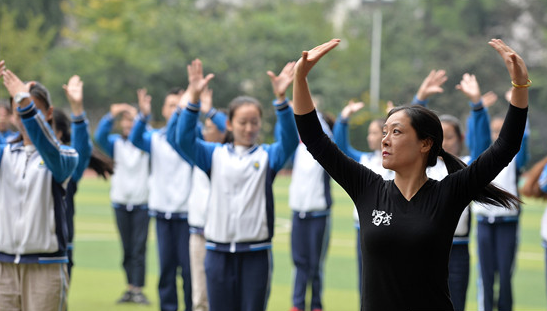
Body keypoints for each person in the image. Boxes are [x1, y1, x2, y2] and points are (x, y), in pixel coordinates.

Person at [291, 38, 529, 310]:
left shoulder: (448, 194)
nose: (385, 140)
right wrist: (300, 78)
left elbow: (506, 145)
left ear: (425, 144)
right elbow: (314, 138)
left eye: (396, 131)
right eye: (384, 132)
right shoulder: (367, 188)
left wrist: (520, 85)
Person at [175, 59, 299, 311]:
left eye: (254, 122)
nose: (249, 128)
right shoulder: (214, 154)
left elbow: (289, 141)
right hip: (217, 252)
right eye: (242, 122)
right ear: (229, 124)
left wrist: (281, 100)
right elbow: (184, 140)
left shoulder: (267, 156)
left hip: (256, 253)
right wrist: (194, 100)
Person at [0, 61, 78, 311]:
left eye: (31, 109)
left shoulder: (65, 155)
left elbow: (47, 146)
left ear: (48, 113)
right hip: (5, 267)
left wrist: (24, 100)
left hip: (46, 267)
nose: (22, 116)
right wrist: (23, 101)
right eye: (17, 109)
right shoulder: (4, 154)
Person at [466, 74, 529, 311]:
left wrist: (520, 105)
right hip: (484, 222)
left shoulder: (515, 158)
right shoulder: (481, 157)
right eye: (493, 130)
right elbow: (474, 139)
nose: (496, 135)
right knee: (486, 277)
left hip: (508, 223)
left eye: (500, 130)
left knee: (505, 277)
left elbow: (523, 137)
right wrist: (478, 110)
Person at [130, 87, 193, 311]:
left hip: (188, 216)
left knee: (189, 271)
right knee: (166, 270)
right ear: (164, 111)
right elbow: (135, 138)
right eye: (171, 106)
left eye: (180, 105)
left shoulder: (193, 138)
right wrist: (143, 115)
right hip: (163, 214)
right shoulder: (156, 138)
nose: (175, 109)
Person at [166, 87, 227, 311]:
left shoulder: (229, 157)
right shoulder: (198, 155)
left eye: (210, 127)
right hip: (199, 234)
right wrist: (182, 108)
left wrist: (209, 110)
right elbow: (174, 138)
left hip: (223, 235)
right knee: (200, 298)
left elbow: (228, 125)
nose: (205, 130)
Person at [332, 100, 393, 303]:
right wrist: (343, 119)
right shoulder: (363, 160)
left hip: (390, 228)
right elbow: (340, 148)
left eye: (375, 132)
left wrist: (393, 117)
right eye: (369, 133)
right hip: (363, 227)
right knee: (365, 279)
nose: (370, 137)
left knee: (389, 279)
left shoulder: (396, 160)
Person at [94, 100, 151, 305]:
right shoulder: (115, 143)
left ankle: (138, 288)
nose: (128, 126)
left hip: (141, 203)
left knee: (139, 248)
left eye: (132, 122)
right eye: (125, 122)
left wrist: (142, 115)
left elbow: (148, 131)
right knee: (127, 248)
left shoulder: (145, 144)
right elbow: (99, 136)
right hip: (120, 202)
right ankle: (129, 287)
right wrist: (111, 115)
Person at [56, 75, 93, 279]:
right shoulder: (16, 156)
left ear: (60, 133)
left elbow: (81, 151)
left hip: (58, 250)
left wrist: (77, 110)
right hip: (18, 252)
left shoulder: (66, 165)